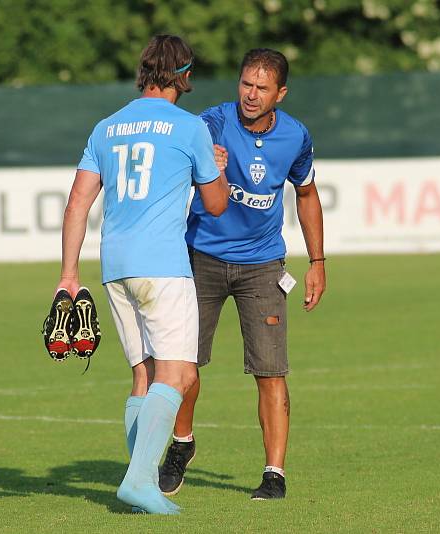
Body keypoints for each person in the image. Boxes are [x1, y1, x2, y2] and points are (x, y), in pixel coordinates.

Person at [56, 34, 228, 514]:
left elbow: (77, 203)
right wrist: (220, 168)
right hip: (162, 266)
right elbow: (215, 206)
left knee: (143, 374)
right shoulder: (189, 127)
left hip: (115, 266)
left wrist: (69, 273)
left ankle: (142, 485)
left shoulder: (106, 127)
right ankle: (139, 482)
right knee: (180, 372)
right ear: (184, 75)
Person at [158, 48, 326, 500]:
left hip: (263, 265)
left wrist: (317, 263)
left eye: (262, 88)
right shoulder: (212, 121)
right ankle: (181, 445)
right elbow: (180, 155)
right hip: (201, 258)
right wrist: (200, 160)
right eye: (245, 84)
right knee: (183, 365)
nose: (251, 95)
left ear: (281, 94)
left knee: (271, 371)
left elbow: (307, 195)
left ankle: (275, 474)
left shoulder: (296, 136)